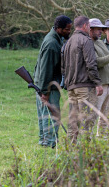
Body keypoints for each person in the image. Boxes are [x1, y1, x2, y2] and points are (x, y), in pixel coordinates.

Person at [62, 16, 103, 143]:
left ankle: (70, 150)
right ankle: (86, 152)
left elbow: (63, 67)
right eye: (89, 26)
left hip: (71, 87)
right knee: (87, 119)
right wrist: (98, 83)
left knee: (73, 121)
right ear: (85, 26)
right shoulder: (86, 40)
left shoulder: (68, 42)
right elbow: (91, 64)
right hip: (84, 86)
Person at [33, 15, 72, 148]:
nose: (69, 32)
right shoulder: (52, 44)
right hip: (48, 87)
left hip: (44, 85)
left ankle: (45, 141)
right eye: (67, 29)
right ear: (59, 28)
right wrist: (45, 92)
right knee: (51, 116)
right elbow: (46, 69)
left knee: (46, 114)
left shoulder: (54, 39)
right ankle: (49, 143)